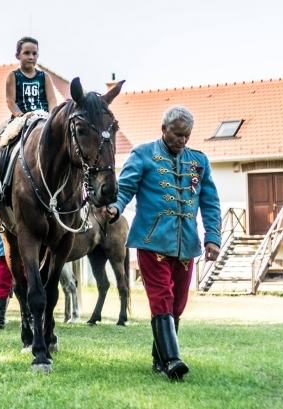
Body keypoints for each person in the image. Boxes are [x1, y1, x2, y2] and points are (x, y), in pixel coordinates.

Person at [104, 106, 221, 381]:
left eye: (187, 136)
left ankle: (159, 358)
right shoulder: (143, 154)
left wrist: (212, 237)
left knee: (177, 304)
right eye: (178, 134)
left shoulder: (199, 162)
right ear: (164, 129)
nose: (182, 140)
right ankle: (172, 360)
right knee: (161, 298)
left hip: (186, 244)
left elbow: (210, 203)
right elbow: (126, 188)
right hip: (151, 241)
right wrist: (115, 208)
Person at [0, 36, 58, 193]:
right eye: (26, 53)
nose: (31, 57)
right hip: (21, 118)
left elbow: (52, 100)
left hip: (42, 116)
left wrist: (51, 117)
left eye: (34, 53)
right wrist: (21, 115)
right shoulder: (14, 76)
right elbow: (10, 101)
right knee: (0, 140)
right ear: (18, 55)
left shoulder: (44, 77)